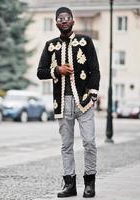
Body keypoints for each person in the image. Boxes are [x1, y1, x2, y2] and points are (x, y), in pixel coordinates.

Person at [37, 7, 100, 198]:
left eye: (67, 18)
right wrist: (57, 70)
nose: (64, 21)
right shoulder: (50, 45)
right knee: (66, 145)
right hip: (62, 103)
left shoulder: (85, 41)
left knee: (89, 142)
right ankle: (69, 184)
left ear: (73, 21)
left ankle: (89, 183)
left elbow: (94, 70)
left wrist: (93, 94)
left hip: (84, 101)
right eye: (60, 19)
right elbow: (40, 72)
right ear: (56, 23)